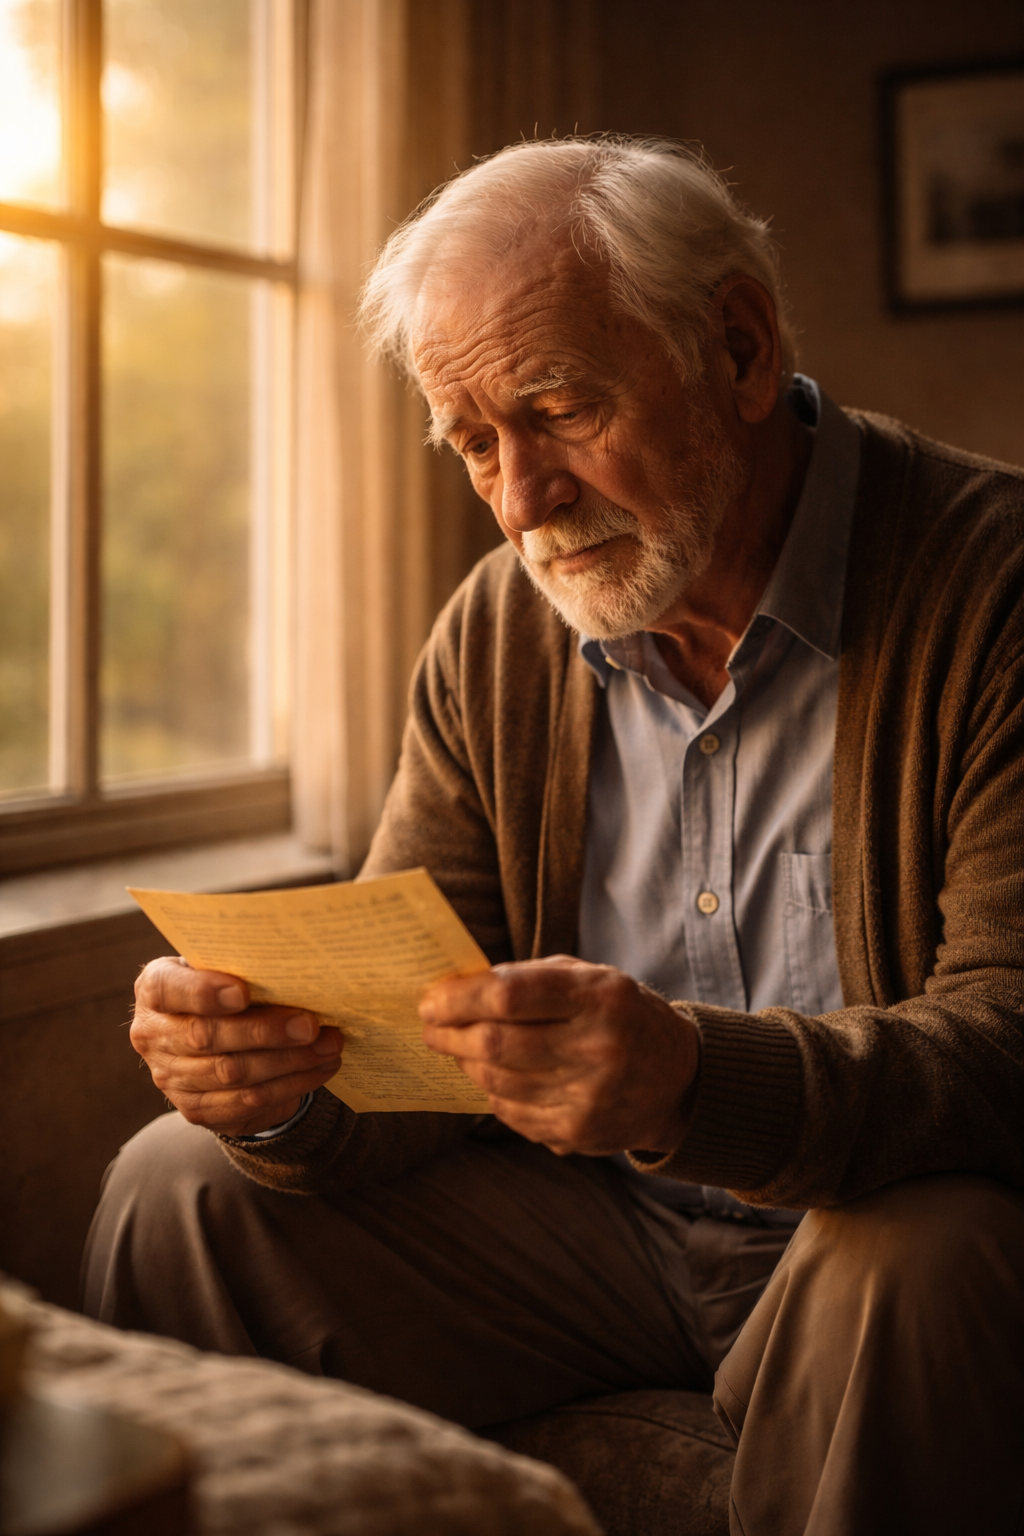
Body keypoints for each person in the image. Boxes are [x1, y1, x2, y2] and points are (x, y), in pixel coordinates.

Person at [82, 138, 1024, 1535]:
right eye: (474, 442)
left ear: (741, 351)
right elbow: (410, 1026)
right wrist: (273, 1074)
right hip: (598, 1243)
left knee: (921, 1263)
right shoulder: (498, 631)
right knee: (174, 1185)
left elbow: (1007, 1037)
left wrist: (692, 1081)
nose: (521, 499)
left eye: (561, 409)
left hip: (864, 1231)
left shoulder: (993, 586)